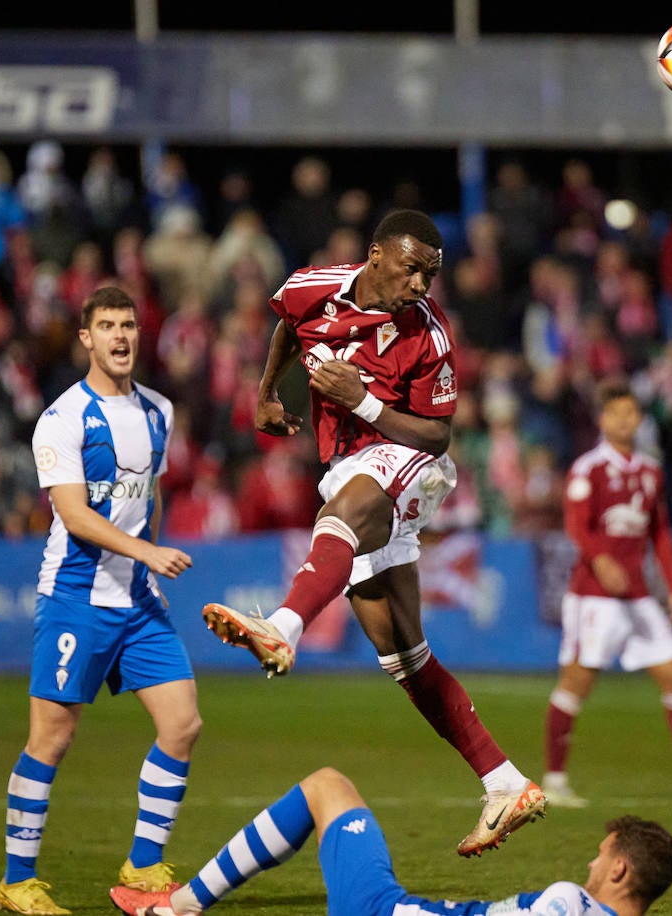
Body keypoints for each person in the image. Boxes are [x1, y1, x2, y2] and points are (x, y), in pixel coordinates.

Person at [199, 209, 546, 857]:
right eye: (412, 268)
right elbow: (288, 326)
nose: (421, 284)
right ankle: (505, 782)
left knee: (342, 514)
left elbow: (438, 434)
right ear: (376, 256)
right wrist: (269, 393)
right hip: (347, 460)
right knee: (402, 654)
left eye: (432, 274)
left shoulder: (430, 335)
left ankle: (284, 626)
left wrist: (362, 402)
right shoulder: (313, 286)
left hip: (408, 458)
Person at [0, 286, 201, 915]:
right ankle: (17, 881)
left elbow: (151, 495)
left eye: (129, 325)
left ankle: (142, 868)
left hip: (138, 601)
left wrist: (151, 558)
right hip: (76, 599)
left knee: (183, 724)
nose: (121, 336)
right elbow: (73, 514)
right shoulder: (60, 419)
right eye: (107, 326)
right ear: (86, 338)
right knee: (50, 740)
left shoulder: (159, 411)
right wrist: (147, 554)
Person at [542, 378, 672, 809]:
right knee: (577, 683)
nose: (624, 420)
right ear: (603, 420)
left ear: (639, 419)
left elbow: (659, 534)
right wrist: (601, 559)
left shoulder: (648, 470)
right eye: (616, 413)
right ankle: (554, 780)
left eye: (631, 413)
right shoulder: (589, 469)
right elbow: (575, 526)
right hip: (593, 597)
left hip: (639, 596)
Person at [109, 766, 672, 916]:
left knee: (327, 786)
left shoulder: (568, 902)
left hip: (382, 910)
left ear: (621, 873)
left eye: (601, 856)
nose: (589, 861)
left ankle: (179, 906)